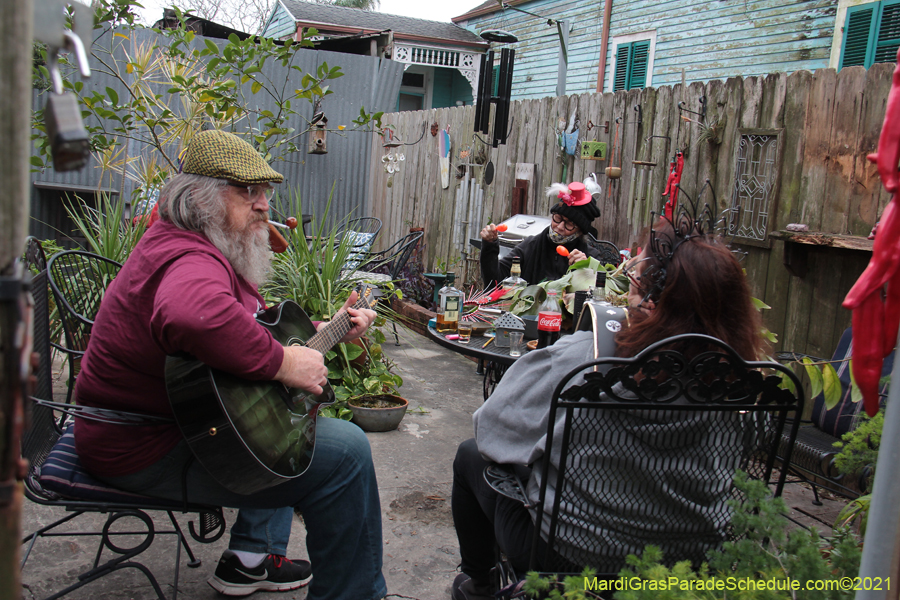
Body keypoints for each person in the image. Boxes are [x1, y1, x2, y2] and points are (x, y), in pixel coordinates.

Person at [72, 130, 386, 600]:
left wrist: (330, 329)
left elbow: (239, 328)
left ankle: (252, 556)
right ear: (200, 197)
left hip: (156, 426)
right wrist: (282, 362)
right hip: (141, 445)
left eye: (265, 192)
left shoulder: (192, 243)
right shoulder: (189, 256)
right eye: (247, 191)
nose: (263, 204)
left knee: (286, 426)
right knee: (346, 454)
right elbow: (189, 314)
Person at [450, 212, 766, 600]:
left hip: (570, 557)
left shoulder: (592, 359)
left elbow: (492, 427)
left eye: (633, 277)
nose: (627, 286)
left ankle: (479, 586)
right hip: (689, 562)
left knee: (470, 456)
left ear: (649, 301)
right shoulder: (742, 384)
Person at [479, 181, 603, 287]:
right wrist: (490, 246)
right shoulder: (530, 247)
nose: (559, 226)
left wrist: (586, 270)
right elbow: (494, 282)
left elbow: (602, 293)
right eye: (558, 218)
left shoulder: (590, 257)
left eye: (569, 224)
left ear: (579, 231)